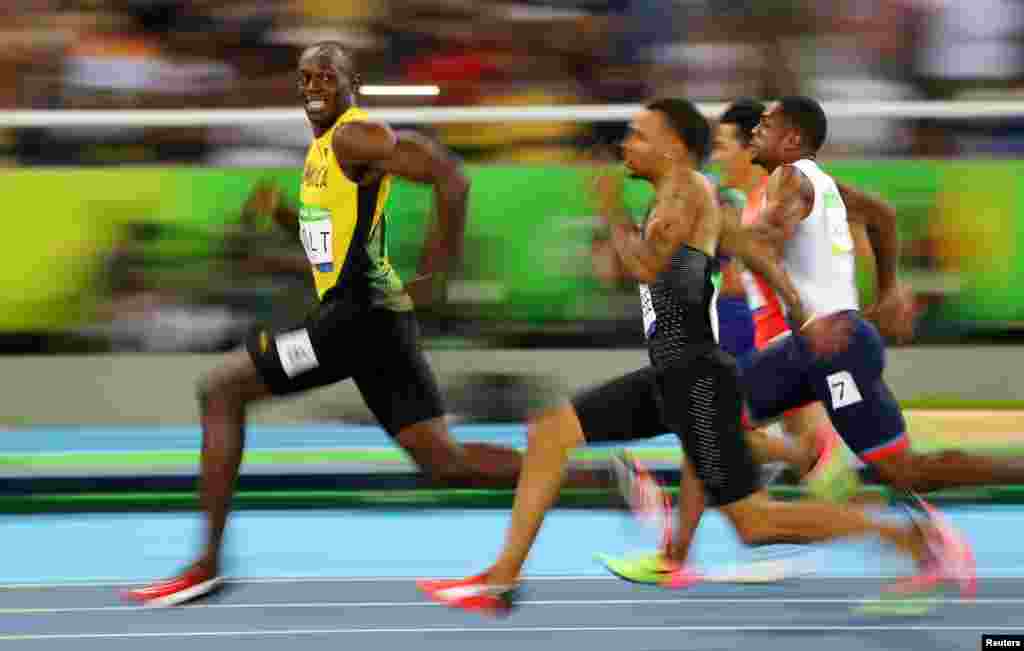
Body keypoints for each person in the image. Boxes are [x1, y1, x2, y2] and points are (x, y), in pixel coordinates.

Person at [417, 98, 965, 617]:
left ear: (673, 147)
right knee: (549, 432)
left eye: (638, 135)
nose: (626, 144)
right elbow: (746, 251)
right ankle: (502, 578)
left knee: (756, 524)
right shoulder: (679, 200)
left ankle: (904, 537)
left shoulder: (688, 193)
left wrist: (608, 211)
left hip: (697, 379)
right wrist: (796, 303)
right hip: (671, 374)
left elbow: (646, 268)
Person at [124, 41, 604, 607]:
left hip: (355, 322)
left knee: (222, 389)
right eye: (304, 78)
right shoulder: (322, 155)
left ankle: (206, 564)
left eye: (326, 76)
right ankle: (598, 480)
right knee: (442, 462)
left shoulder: (356, 134)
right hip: (371, 323)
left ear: (353, 84)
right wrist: (282, 221)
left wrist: (436, 277)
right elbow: (329, 258)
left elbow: (452, 176)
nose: (313, 87)